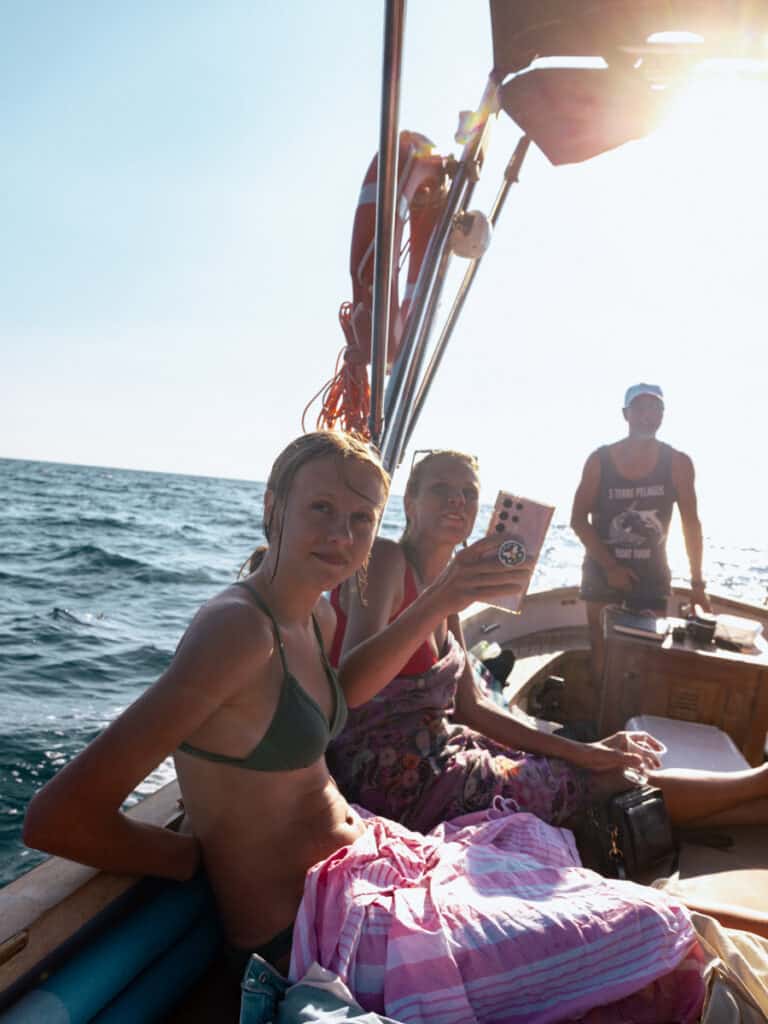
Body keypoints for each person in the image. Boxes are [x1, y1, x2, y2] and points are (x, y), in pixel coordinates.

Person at [23, 432, 708, 1023]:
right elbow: (58, 818)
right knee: (659, 933)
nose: (343, 535)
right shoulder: (238, 630)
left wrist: (442, 600)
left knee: (564, 868)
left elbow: (345, 702)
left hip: (372, 862)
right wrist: (186, 858)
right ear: (273, 509)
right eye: (321, 508)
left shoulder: (313, 617)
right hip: (310, 929)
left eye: (359, 517)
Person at [328, 448, 768, 836]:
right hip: (392, 777)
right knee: (612, 782)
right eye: (440, 488)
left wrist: (585, 750)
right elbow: (348, 689)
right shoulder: (385, 560)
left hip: (442, 748)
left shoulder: (449, 590)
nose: (457, 499)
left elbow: (472, 708)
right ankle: (756, 785)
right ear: (410, 503)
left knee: (596, 767)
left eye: (469, 491)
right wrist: (441, 600)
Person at [571, 382, 711, 682]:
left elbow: (691, 524)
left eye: (656, 408)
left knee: (645, 656)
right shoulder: (600, 460)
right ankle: (602, 721)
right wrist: (611, 567)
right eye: (640, 407)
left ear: (663, 415)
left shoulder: (678, 463)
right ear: (625, 414)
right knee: (601, 647)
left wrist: (698, 584)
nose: (648, 414)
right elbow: (578, 519)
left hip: (651, 575)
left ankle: (635, 722)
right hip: (602, 569)